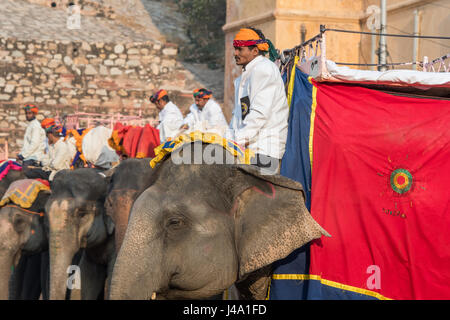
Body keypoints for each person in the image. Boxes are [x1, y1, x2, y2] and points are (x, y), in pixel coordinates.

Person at [227, 27, 288, 174]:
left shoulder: (264, 69)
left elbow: (259, 113)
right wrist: (225, 143)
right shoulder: (244, 76)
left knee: (258, 195)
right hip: (248, 149)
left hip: (264, 148)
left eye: (240, 50)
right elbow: (237, 116)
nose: (235, 53)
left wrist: (237, 142)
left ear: (255, 51)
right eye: (235, 49)